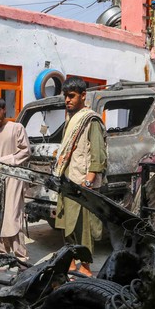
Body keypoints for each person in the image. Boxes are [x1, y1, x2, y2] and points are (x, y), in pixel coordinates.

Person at [53, 77, 107, 277]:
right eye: (66, 96)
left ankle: (85, 266)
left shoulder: (90, 120)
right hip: (68, 180)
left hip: (82, 182)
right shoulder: (71, 119)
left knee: (83, 227)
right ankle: (70, 260)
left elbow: (98, 153)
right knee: (67, 224)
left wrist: (89, 179)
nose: (67, 100)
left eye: (72, 96)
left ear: (83, 96)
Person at [0, 96, 31, 264]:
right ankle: (3, 256)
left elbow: (25, 152)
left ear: (4, 109)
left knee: (13, 218)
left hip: (13, 179)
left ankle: (21, 259)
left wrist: (5, 159)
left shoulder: (16, 128)